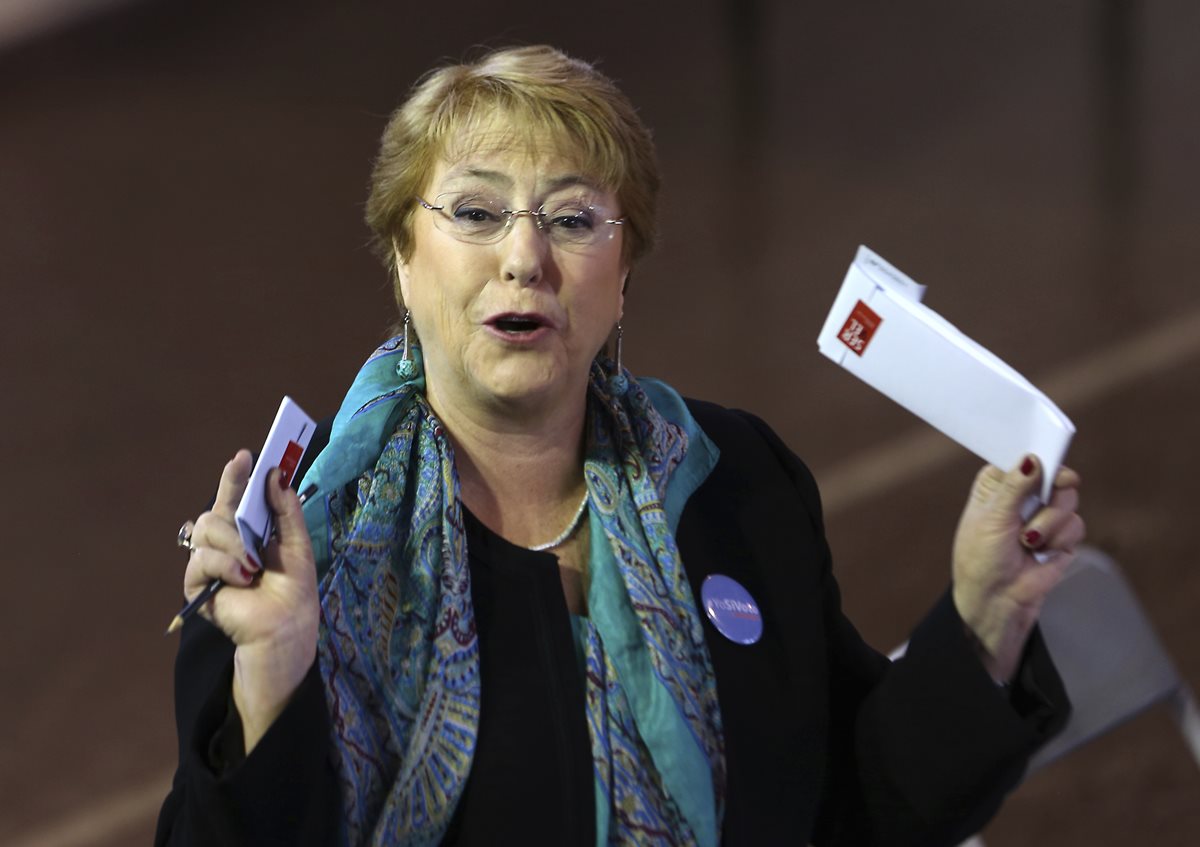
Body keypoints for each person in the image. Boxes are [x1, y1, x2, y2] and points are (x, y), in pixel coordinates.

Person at [156, 45, 1084, 847]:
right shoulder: (289, 548)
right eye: (476, 214)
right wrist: (272, 671)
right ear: (403, 254)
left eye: (571, 219)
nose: (525, 258)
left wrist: (985, 618)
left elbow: (857, 812)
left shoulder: (735, 479)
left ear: (623, 273)